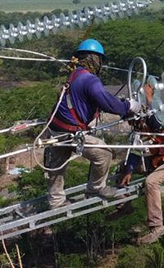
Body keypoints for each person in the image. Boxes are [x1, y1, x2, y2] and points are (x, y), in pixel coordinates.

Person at [44, 38, 141, 209]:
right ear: (96, 60)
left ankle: (56, 201)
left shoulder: (75, 75)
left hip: (56, 128)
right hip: (71, 132)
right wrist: (127, 106)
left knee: (57, 165)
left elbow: (85, 99)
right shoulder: (90, 80)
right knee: (104, 154)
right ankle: (95, 188)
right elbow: (107, 102)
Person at [116, 108, 164, 245]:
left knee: (151, 182)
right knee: (122, 167)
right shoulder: (140, 129)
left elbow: (157, 123)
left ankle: (157, 226)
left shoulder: (157, 121)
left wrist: (148, 101)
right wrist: (129, 170)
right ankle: (123, 204)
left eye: (131, 121)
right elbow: (136, 151)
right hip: (156, 161)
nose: (130, 125)